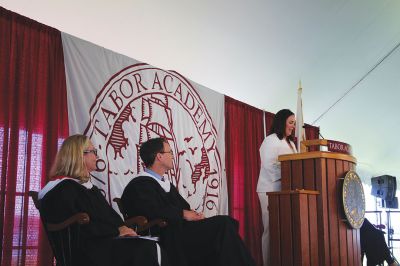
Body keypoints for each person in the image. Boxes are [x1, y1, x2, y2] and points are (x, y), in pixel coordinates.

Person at [121, 137, 256, 266]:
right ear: (159, 156)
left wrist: (193, 214)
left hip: (180, 230)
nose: (173, 156)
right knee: (223, 225)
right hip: (168, 236)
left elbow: (184, 207)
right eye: (170, 152)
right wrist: (182, 214)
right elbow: (150, 210)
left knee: (226, 225)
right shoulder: (139, 185)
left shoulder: (164, 183)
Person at [39, 134, 167, 266]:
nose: (97, 156)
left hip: (105, 243)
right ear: (79, 155)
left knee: (152, 245)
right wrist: (117, 230)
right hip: (87, 252)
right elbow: (79, 228)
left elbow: (110, 217)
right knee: (145, 248)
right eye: (93, 152)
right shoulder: (63, 189)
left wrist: (122, 227)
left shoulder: (89, 188)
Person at [256, 109, 297, 266]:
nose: (293, 126)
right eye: (291, 122)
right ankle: (268, 262)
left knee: (285, 228)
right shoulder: (270, 140)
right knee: (271, 229)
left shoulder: (292, 143)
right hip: (269, 189)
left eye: (294, 123)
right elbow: (268, 165)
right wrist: (288, 171)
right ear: (282, 122)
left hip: (286, 190)